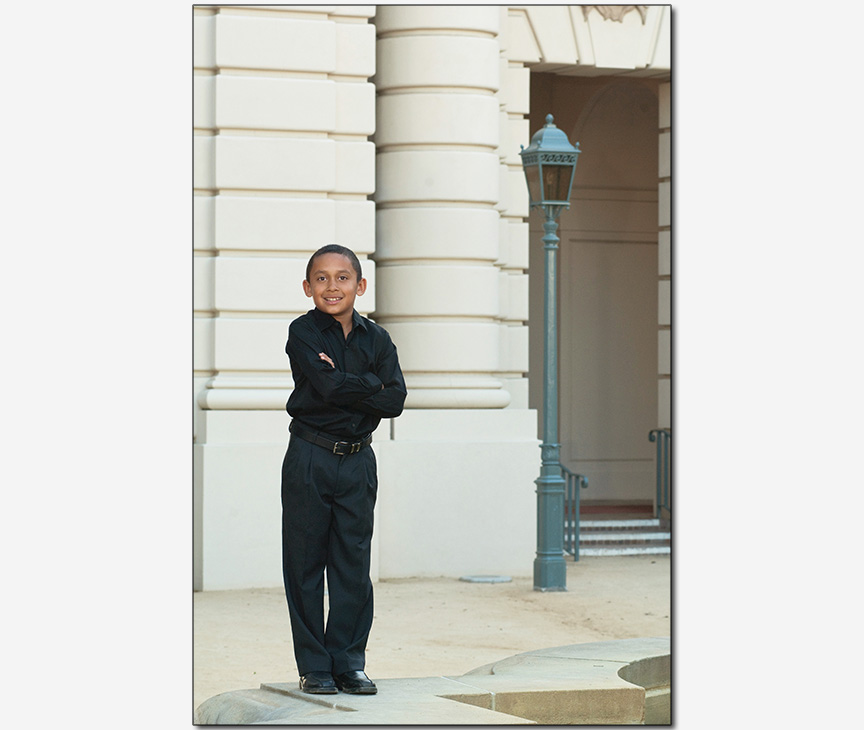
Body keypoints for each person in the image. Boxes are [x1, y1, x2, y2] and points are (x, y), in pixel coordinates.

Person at [281, 244, 407, 696]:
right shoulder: (302, 333)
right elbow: (328, 387)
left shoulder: (379, 340)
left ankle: (349, 663)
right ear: (307, 286)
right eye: (321, 278)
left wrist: (352, 384)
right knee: (305, 564)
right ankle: (314, 666)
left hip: (358, 460)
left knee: (353, 566)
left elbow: (395, 401)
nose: (332, 286)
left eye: (342, 277)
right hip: (310, 457)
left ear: (360, 285)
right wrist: (370, 382)